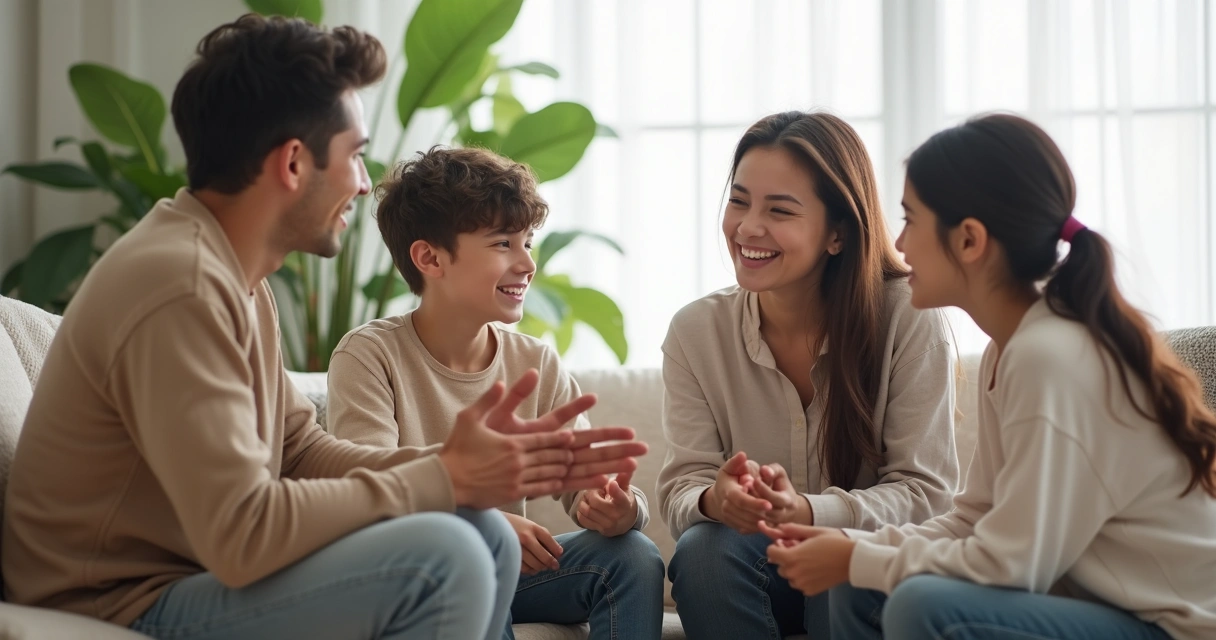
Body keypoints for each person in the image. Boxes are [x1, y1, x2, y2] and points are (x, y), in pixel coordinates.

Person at [0, 15, 643, 640]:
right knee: (445, 555)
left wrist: (455, 467)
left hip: (180, 580)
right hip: (118, 601)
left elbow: (300, 452)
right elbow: (243, 534)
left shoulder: (234, 276)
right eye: (356, 157)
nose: (364, 186)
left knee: (475, 532)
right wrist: (445, 479)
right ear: (293, 164)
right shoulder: (181, 285)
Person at [761, 113, 1216, 640]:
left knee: (920, 604)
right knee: (853, 579)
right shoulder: (1014, 348)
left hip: (1172, 628)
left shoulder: (1050, 358)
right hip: (1106, 610)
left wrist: (859, 560)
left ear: (970, 241)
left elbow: (1014, 564)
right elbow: (972, 519)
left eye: (911, 220)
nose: (900, 245)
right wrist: (854, 553)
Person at [327, 146, 664, 639]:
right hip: (423, 574)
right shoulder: (369, 356)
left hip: (514, 574)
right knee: (478, 554)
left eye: (528, 241)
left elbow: (589, 482)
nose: (528, 262)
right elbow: (374, 494)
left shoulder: (534, 362)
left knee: (633, 555)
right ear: (430, 258)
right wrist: (488, 525)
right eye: (504, 243)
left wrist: (617, 506)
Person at [657, 110, 959, 639]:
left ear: (837, 234)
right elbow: (684, 484)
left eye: (780, 210)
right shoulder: (695, 332)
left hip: (868, 577)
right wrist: (715, 500)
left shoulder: (908, 316)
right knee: (704, 551)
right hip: (756, 568)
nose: (748, 227)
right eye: (739, 200)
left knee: (846, 558)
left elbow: (925, 494)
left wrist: (811, 511)